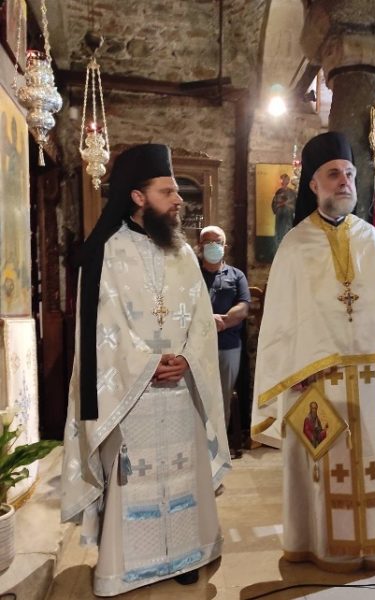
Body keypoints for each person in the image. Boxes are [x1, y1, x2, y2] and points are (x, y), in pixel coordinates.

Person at [251, 131, 375, 572]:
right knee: (322, 464)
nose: (345, 181)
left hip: (369, 380)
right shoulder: (294, 244)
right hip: (317, 382)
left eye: (349, 174)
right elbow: (281, 321)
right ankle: (324, 548)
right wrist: (295, 370)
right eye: (334, 174)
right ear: (314, 184)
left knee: (374, 461)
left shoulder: (370, 238)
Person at [60, 144, 231, 597]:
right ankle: (128, 565)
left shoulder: (184, 254)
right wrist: (146, 362)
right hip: (131, 394)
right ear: (138, 197)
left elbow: (201, 318)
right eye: (167, 191)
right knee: (133, 478)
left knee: (182, 471)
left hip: (180, 390)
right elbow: (101, 328)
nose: (178, 200)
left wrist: (187, 358)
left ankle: (187, 555)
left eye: (177, 191)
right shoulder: (105, 253)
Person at [199, 225, 250, 429]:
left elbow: (243, 307)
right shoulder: (191, 274)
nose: (213, 245)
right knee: (198, 397)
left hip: (227, 346)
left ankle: (220, 442)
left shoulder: (237, 275)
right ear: (200, 246)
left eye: (218, 242)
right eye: (208, 242)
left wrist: (221, 323)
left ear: (225, 246)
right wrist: (207, 320)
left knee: (222, 398)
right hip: (197, 346)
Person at [271, 173, 296, 249]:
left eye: (286, 179)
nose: (284, 181)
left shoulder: (292, 192)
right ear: (281, 181)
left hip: (288, 215)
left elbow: (294, 203)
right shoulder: (278, 192)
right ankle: (278, 250)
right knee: (279, 232)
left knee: (288, 231)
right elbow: (274, 204)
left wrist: (286, 204)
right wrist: (280, 205)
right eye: (283, 179)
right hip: (280, 215)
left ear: (288, 181)